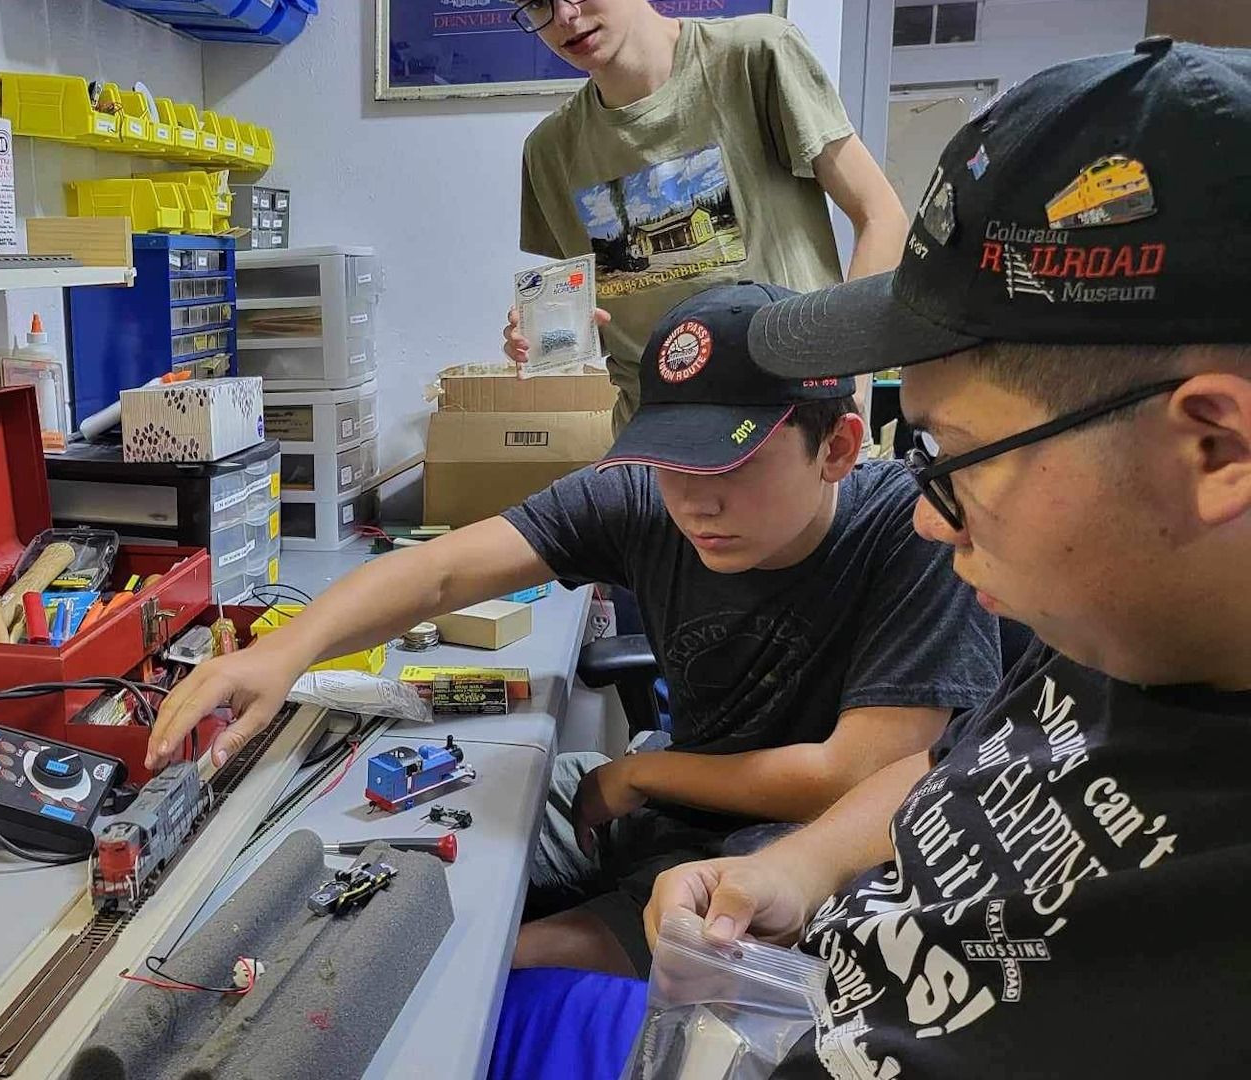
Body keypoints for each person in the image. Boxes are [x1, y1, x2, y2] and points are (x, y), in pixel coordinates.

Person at [643, 38, 1251, 1076]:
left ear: (1215, 448)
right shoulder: (1116, 631)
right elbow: (961, 765)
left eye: (952, 460)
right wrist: (799, 867)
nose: (928, 518)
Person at [147, 282, 1001, 976]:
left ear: (840, 448)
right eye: (670, 461)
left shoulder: (911, 534)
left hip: (796, 855)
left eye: (733, 463)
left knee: (466, 967)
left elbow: (855, 774)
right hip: (669, 807)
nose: (695, 499)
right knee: (390, 870)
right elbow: (444, 568)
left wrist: (642, 774)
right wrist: (282, 651)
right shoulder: (644, 500)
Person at [505, 0, 907, 425]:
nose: (565, 16)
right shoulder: (550, 150)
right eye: (536, 4)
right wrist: (540, 333)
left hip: (796, 425)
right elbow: (603, 311)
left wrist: (850, 383)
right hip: (656, 443)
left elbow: (881, 217)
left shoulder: (756, 54)